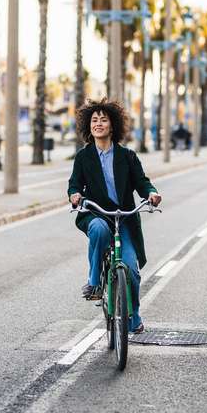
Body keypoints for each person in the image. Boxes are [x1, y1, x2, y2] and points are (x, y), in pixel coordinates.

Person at [67, 98, 162, 334]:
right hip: (96, 213)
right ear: (88, 126)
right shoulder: (83, 156)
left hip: (124, 218)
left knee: (130, 269)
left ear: (113, 125)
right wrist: (75, 195)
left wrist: (151, 193)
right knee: (99, 229)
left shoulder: (127, 156)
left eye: (103, 119)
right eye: (94, 120)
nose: (98, 123)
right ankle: (94, 282)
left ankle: (134, 315)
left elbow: (142, 182)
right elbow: (74, 184)